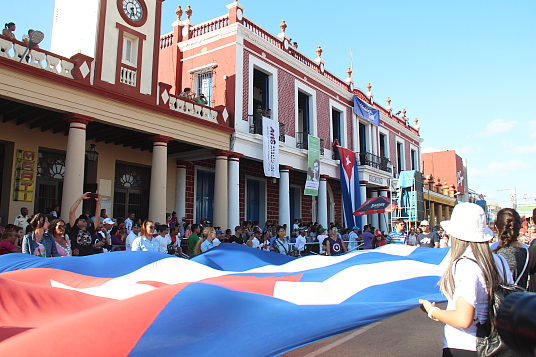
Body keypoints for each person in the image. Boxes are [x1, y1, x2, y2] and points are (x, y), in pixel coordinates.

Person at [419, 203, 513, 356]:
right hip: (499, 344)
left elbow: (463, 319)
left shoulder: (466, 265)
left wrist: (432, 311)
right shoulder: (500, 261)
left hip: (466, 345)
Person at [493, 208, 529, 288]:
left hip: (499, 299)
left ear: (496, 226)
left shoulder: (492, 251)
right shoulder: (527, 251)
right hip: (521, 298)